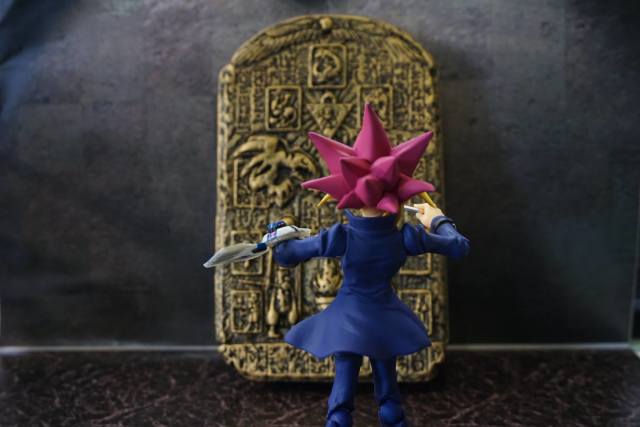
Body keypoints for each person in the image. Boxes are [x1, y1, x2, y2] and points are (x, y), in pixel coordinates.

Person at [272, 104, 470, 427]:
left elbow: (287, 256)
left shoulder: (340, 237)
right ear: (400, 193)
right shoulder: (406, 238)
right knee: (387, 387)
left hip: (347, 316)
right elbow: (459, 246)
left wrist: (279, 233)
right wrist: (438, 220)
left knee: (343, 384)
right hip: (384, 316)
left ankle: (340, 420)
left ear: (344, 190)